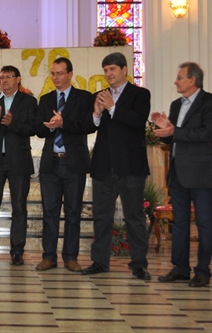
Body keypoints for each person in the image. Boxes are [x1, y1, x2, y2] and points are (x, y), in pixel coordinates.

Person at [81, 52, 152, 280]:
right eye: (105, 70)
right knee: (101, 217)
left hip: (130, 166)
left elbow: (137, 121)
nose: (108, 74)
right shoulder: (99, 96)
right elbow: (89, 126)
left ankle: (139, 264)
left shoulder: (140, 94)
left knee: (134, 217)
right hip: (103, 166)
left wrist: (112, 108)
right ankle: (100, 261)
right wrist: (96, 113)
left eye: (112, 69)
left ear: (124, 70)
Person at [152, 62, 212, 288]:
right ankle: (180, 268)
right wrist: (164, 130)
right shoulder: (175, 105)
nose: (176, 81)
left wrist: (175, 131)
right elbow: (174, 138)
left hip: (201, 173)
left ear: (192, 80)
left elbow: (207, 133)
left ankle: (202, 271)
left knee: (205, 223)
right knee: (179, 222)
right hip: (178, 173)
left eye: (179, 77)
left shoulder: (211, 102)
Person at [35, 57, 95, 272]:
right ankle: (48, 256)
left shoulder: (84, 98)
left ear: (70, 74)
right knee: (49, 212)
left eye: (59, 73)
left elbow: (89, 125)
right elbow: (38, 129)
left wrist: (64, 124)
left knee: (73, 212)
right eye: (52, 73)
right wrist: (50, 127)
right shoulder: (46, 99)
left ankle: (70, 256)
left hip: (74, 163)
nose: (55, 77)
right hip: (51, 164)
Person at [0, 65, 37, 266]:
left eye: (8, 77)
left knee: (19, 208)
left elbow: (33, 128)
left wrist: (12, 123)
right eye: (2, 77)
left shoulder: (29, 101)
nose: (4, 80)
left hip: (19, 161)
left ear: (18, 79)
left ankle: (17, 251)